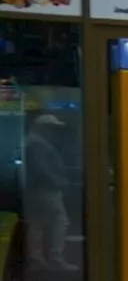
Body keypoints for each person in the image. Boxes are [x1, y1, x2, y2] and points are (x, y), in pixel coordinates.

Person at [23, 114, 74, 272]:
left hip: (35, 189)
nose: (55, 132)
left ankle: (36, 260)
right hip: (46, 189)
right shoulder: (38, 144)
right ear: (44, 128)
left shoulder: (31, 141)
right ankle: (56, 259)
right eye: (53, 128)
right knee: (60, 221)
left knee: (37, 224)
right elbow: (41, 167)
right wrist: (58, 181)